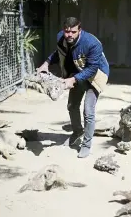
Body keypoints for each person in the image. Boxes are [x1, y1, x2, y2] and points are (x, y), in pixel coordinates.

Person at [36, 17, 110, 158]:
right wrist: (46, 63)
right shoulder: (61, 38)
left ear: (79, 30)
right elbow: (59, 53)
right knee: (72, 106)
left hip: (95, 77)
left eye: (73, 32)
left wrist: (72, 79)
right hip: (77, 73)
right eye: (67, 31)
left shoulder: (92, 43)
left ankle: (87, 144)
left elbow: (92, 68)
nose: (69, 35)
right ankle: (77, 132)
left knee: (88, 111)